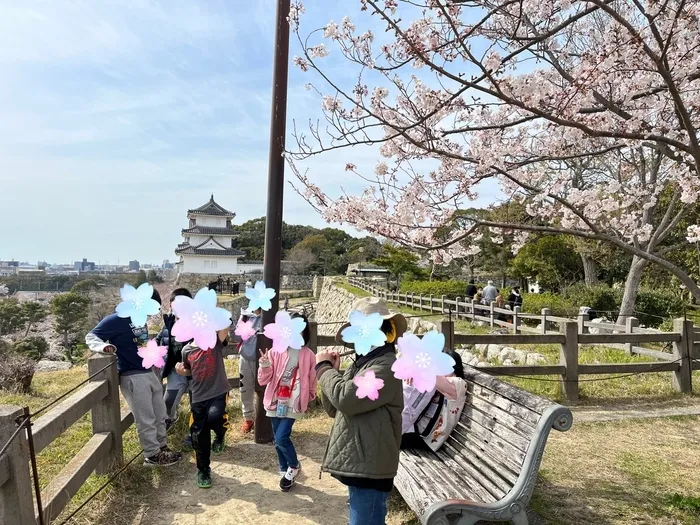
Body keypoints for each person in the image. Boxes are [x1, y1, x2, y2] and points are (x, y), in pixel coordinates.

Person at [315, 297, 406, 525]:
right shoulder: (364, 363)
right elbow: (334, 408)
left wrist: (323, 369)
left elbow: (345, 399)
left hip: (370, 464)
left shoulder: (386, 367)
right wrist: (332, 372)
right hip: (362, 460)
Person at [86, 289, 182, 467]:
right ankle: (152, 455)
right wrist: (104, 347)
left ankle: (162, 447)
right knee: (145, 418)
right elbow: (91, 336)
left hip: (149, 372)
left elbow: (141, 345)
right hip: (132, 376)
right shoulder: (116, 319)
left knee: (160, 415)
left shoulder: (139, 320)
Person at [258, 313, 317, 492]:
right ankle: (285, 470)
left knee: (282, 437)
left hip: (294, 401)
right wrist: (265, 364)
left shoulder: (308, 354)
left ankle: (293, 466)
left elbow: (313, 377)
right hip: (276, 400)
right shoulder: (276, 351)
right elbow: (264, 380)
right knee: (278, 439)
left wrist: (310, 395)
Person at [176, 326, 231, 489]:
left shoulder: (213, 342)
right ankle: (203, 470)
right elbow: (189, 371)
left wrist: (213, 315)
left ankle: (220, 434)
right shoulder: (186, 350)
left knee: (215, 417)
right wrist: (181, 372)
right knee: (199, 434)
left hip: (218, 391)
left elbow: (225, 327)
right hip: (199, 396)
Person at [400, 350, 467, 452]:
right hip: (417, 430)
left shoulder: (459, 383)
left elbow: (435, 378)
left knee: (384, 438)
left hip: (428, 439)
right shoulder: (438, 382)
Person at [157, 288, 193, 430]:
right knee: (169, 401)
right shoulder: (168, 322)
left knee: (197, 403)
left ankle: (195, 433)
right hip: (174, 370)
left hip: (195, 371)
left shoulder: (197, 322)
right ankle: (167, 423)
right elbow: (161, 338)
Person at [237, 307, 262, 433]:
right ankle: (248, 419)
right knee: (245, 389)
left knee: (265, 390)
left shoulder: (271, 315)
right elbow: (236, 337)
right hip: (245, 358)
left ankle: (264, 419)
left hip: (265, 359)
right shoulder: (246, 316)